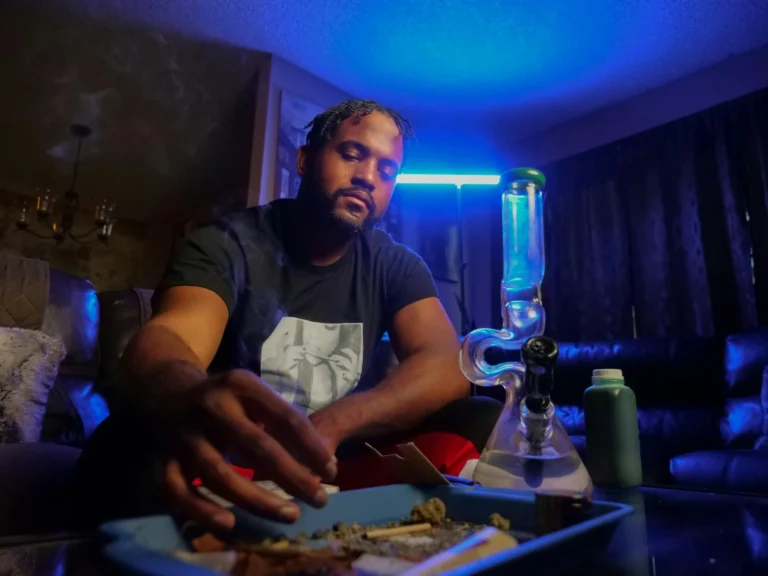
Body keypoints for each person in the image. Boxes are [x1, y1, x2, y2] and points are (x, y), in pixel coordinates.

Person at [73, 99, 501, 530]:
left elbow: (447, 365)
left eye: (386, 171)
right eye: (351, 154)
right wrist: (181, 389)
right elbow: (171, 338)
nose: (367, 178)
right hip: (229, 458)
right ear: (305, 158)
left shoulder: (395, 265)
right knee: (128, 441)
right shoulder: (226, 243)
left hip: (336, 464)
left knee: (480, 417)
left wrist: (336, 421)